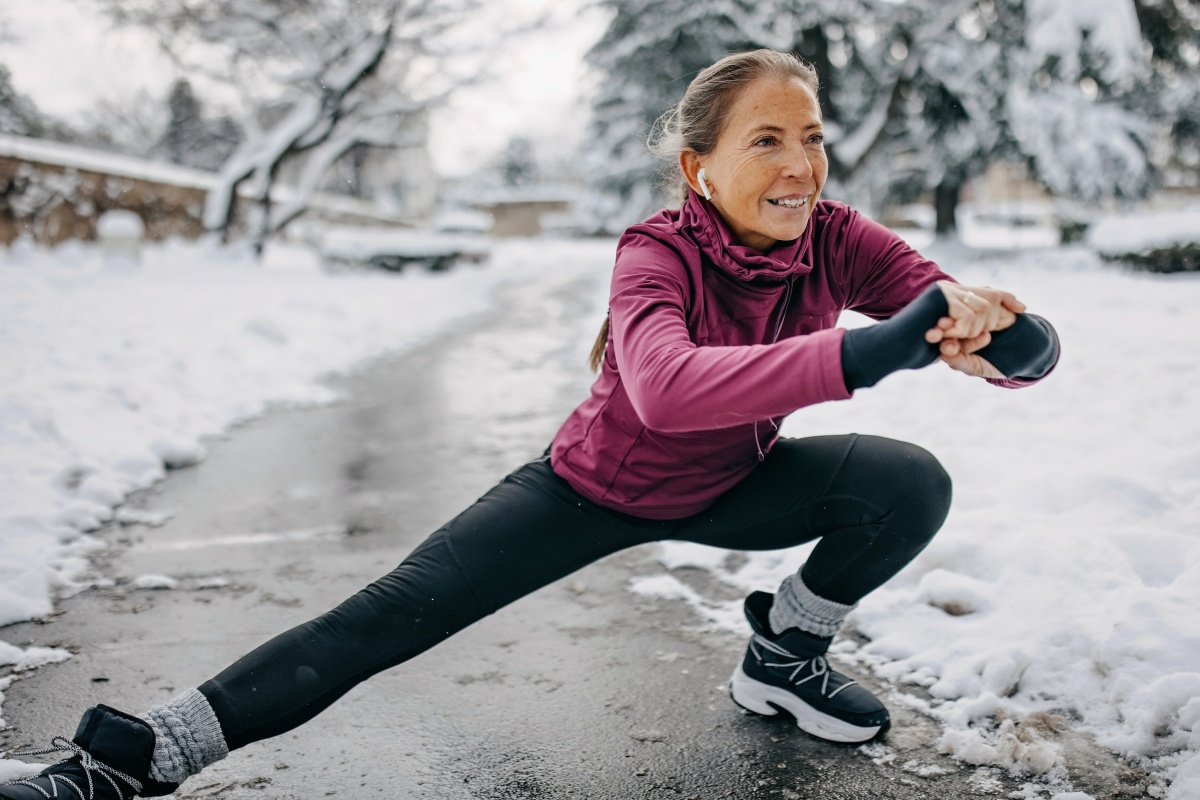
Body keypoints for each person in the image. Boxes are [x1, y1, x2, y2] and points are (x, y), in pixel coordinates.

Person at [2, 49, 1058, 800]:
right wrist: (881, 345)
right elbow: (666, 388)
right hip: (587, 489)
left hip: (737, 483)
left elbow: (976, 320)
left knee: (909, 482)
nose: (802, 164)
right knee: (381, 618)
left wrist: (999, 331)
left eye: (813, 139)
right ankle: (131, 759)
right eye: (768, 140)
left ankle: (783, 655)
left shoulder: (836, 237)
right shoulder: (657, 249)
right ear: (701, 168)